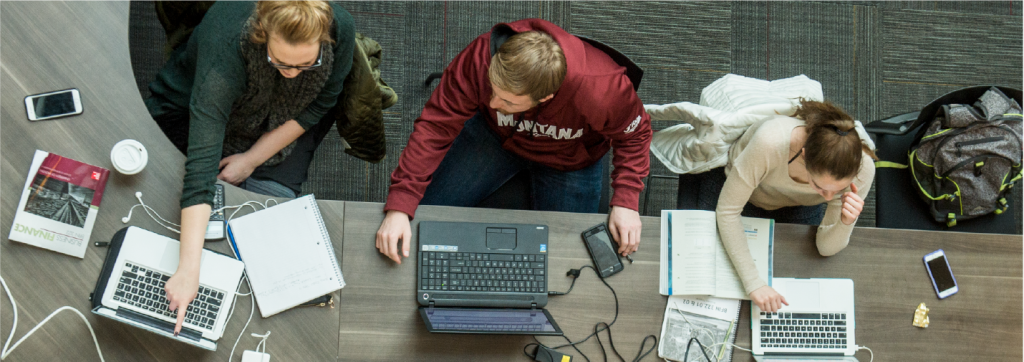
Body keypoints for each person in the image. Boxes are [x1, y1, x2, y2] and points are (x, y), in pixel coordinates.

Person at [144, 0, 354, 335]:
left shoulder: (338, 28)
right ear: (262, 32)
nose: (293, 73)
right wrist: (188, 270)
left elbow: (322, 104)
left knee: (273, 226)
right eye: (281, 62)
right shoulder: (228, 49)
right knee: (161, 203)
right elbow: (201, 168)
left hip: (281, 123)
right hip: (198, 111)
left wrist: (252, 159)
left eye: (306, 64)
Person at [374, 19, 652, 264]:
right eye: (493, 90)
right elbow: (435, 127)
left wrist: (626, 200)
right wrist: (400, 205)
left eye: (507, 100)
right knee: (425, 222)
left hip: (570, 159)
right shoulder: (482, 57)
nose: (493, 102)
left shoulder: (601, 90)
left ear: (545, 98)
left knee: (565, 260)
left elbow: (636, 135)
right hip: (493, 136)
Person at [700, 100, 876, 313]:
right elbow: (727, 211)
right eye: (820, 187)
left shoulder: (863, 170)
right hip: (747, 191)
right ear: (804, 157)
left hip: (797, 204)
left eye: (837, 191)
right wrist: (754, 284)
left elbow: (826, 247)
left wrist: (845, 222)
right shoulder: (770, 142)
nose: (830, 199)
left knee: (804, 279)